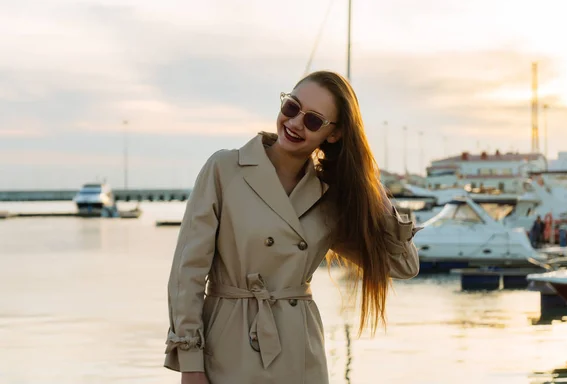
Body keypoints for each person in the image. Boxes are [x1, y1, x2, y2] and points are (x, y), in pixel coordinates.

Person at [163, 70, 421, 384]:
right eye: (291, 108)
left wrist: (375, 193)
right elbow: (186, 273)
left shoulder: (330, 196)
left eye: (313, 120)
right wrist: (191, 363)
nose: (295, 123)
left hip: (300, 352)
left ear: (334, 133)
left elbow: (403, 266)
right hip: (229, 346)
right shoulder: (225, 169)